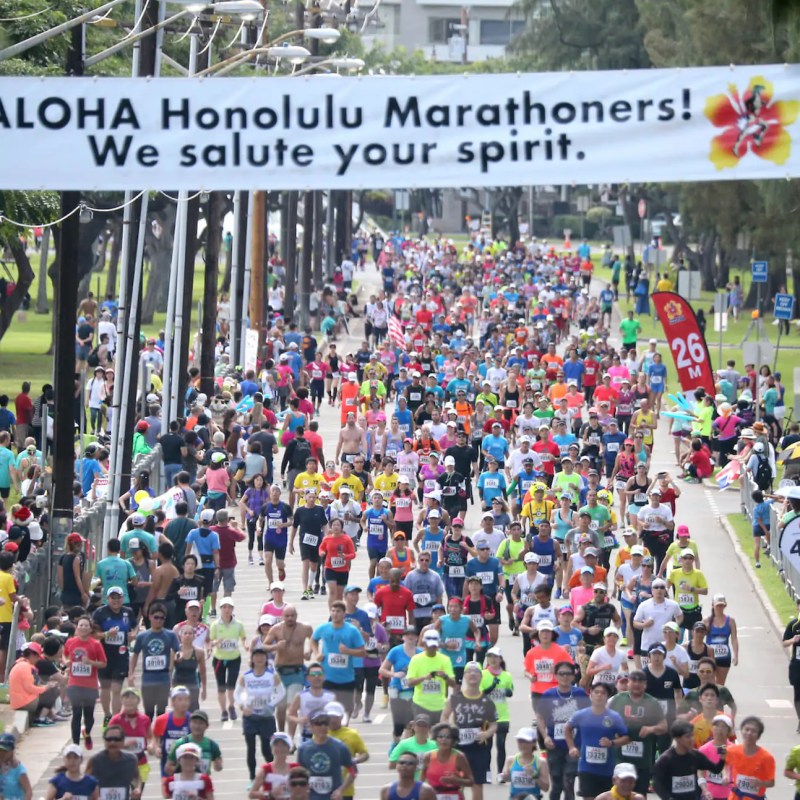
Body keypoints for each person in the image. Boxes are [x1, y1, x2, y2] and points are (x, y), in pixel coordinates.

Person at [441, 661, 497, 800]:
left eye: (476, 672)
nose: (472, 674)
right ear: (465, 676)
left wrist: (488, 733)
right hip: (458, 747)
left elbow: (494, 724)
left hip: (478, 747)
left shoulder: (487, 701)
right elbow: (444, 716)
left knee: (477, 783)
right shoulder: (454, 698)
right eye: (469, 672)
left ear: (481, 676)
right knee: (455, 782)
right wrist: (449, 730)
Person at [564, 682, 629, 800]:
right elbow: (567, 728)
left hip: (607, 769)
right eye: (596, 692)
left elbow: (626, 737)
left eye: (603, 693)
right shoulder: (581, 715)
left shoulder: (614, 717)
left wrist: (612, 743)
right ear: (591, 695)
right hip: (586, 768)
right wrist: (571, 747)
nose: (599, 695)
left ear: (607, 697)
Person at [235, 643, 284, 781]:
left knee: (266, 749)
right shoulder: (246, 676)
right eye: (256, 656)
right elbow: (237, 694)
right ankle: (252, 778)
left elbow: (281, 692)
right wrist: (242, 706)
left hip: (266, 716)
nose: (259, 658)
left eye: (262, 655)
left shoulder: (272, 676)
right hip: (250, 717)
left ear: (266, 658)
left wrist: (271, 704)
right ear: (252, 658)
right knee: (251, 748)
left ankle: (272, 774)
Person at [652, 719, 726, 800]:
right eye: (688, 736)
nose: (692, 739)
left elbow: (716, 769)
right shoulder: (665, 759)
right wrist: (668, 798)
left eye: (692, 735)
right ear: (677, 739)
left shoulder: (696, 756)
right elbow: (656, 784)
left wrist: (722, 759)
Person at [129, 603, 178, 721]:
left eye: (162, 618)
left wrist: (176, 664)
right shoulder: (143, 636)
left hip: (164, 678)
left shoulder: (170, 635)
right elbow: (135, 654)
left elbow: (178, 651)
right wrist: (131, 673)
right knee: (148, 712)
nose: (159, 620)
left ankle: (159, 737)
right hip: (148, 679)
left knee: (161, 712)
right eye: (156, 617)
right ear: (150, 617)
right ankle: (149, 736)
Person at [64, 615, 107, 750]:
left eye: (86, 626)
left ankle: (87, 732)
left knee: (89, 716)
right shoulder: (70, 642)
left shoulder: (95, 644)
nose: (83, 628)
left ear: (90, 629)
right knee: (76, 714)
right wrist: (66, 662)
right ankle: (75, 745)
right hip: (74, 683)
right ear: (77, 628)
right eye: (80, 625)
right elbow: (65, 655)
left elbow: (103, 663)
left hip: (90, 685)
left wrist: (90, 663)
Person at [296, 709, 356, 800]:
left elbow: (353, 770)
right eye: (319, 723)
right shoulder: (303, 749)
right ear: (311, 726)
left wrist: (341, 790)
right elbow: (300, 774)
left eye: (326, 723)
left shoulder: (340, 747)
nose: (323, 726)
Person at [209, 597, 246, 723]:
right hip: (219, 658)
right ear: (220, 609)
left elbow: (243, 637)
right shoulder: (215, 625)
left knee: (231, 685)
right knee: (221, 687)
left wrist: (245, 645)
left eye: (229, 607)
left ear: (232, 609)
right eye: (224, 607)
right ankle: (223, 710)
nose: (227, 610)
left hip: (234, 657)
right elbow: (210, 642)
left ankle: (231, 706)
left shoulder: (238, 624)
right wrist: (216, 642)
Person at [85, 723, 142, 800]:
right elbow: (84, 782)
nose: (112, 742)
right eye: (109, 739)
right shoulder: (95, 760)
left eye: (116, 739)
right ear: (104, 741)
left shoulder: (131, 759)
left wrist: (137, 788)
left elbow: (136, 777)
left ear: (123, 741)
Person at [724, 716, 775, 799]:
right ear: (741, 731)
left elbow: (771, 783)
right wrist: (725, 775)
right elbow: (725, 763)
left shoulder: (767, 757)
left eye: (753, 731)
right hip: (735, 796)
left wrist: (760, 783)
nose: (749, 733)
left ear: (758, 736)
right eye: (746, 729)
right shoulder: (731, 750)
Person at [419, 722, 474, 799]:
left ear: (453, 740)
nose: (443, 740)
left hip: (454, 795)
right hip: (432, 796)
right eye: (440, 736)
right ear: (435, 738)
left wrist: (457, 781)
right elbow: (421, 780)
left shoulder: (459, 757)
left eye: (448, 737)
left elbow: (471, 781)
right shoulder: (428, 756)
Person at [499, 726, 550, 798]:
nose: (523, 745)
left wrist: (534, 775)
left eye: (526, 741)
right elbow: (505, 778)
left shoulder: (541, 762)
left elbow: (546, 788)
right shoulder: (510, 760)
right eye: (520, 741)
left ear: (534, 743)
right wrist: (505, 777)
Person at [0, 732, 32, 800]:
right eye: (0, 750)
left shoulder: (18, 769)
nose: (2, 753)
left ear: (12, 751)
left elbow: (28, 791)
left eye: (5, 751)